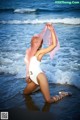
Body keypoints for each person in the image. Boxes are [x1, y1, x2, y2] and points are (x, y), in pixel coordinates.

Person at [23, 23, 71, 103]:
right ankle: (40, 87)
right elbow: (28, 65)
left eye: (37, 42)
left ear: (40, 45)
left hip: (40, 76)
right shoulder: (28, 52)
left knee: (48, 101)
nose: (35, 43)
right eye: (34, 41)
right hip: (32, 77)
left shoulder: (39, 53)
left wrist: (51, 30)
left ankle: (63, 94)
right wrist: (27, 76)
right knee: (25, 94)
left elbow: (54, 45)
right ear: (31, 42)